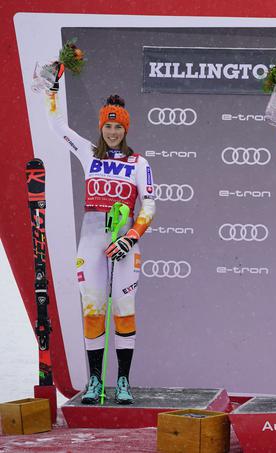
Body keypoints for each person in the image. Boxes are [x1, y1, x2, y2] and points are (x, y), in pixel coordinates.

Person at [44, 87, 156, 405]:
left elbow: (149, 205)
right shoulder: (89, 153)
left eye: (118, 127)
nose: (112, 132)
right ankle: (95, 381)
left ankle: (122, 381)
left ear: (126, 129)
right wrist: (52, 89)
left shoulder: (138, 163)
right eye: (107, 126)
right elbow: (56, 125)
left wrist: (130, 237)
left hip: (123, 248)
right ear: (101, 128)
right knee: (93, 311)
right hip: (91, 245)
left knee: (124, 311)